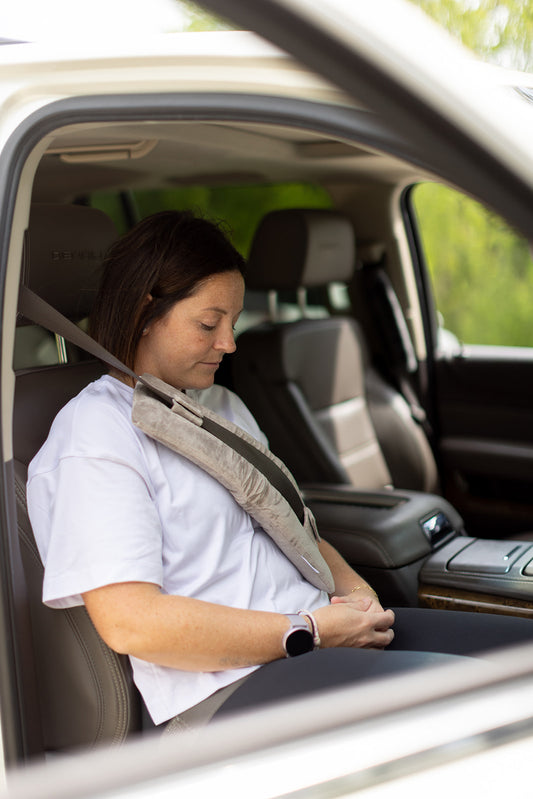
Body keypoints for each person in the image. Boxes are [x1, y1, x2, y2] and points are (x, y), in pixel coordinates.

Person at [26, 210, 533, 734]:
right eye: (208, 323)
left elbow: (297, 530)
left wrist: (357, 595)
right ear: (144, 310)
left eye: (233, 323)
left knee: (521, 657)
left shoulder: (218, 405)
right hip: (228, 687)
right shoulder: (96, 433)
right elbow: (131, 622)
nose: (229, 344)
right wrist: (309, 630)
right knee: (495, 714)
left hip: (313, 640)